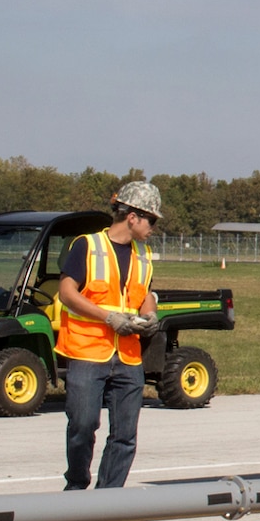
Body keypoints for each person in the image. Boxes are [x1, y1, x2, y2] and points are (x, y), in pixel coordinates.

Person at [56, 180, 162, 491]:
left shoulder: (144, 255)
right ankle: (76, 485)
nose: (153, 227)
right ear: (133, 217)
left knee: (125, 434)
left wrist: (150, 313)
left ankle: (109, 496)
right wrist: (109, 317)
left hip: (128, 355)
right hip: (88, 351)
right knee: (82, 425)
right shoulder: (86, 246)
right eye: (151, 220)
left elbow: (145, 293)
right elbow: (66, 292)